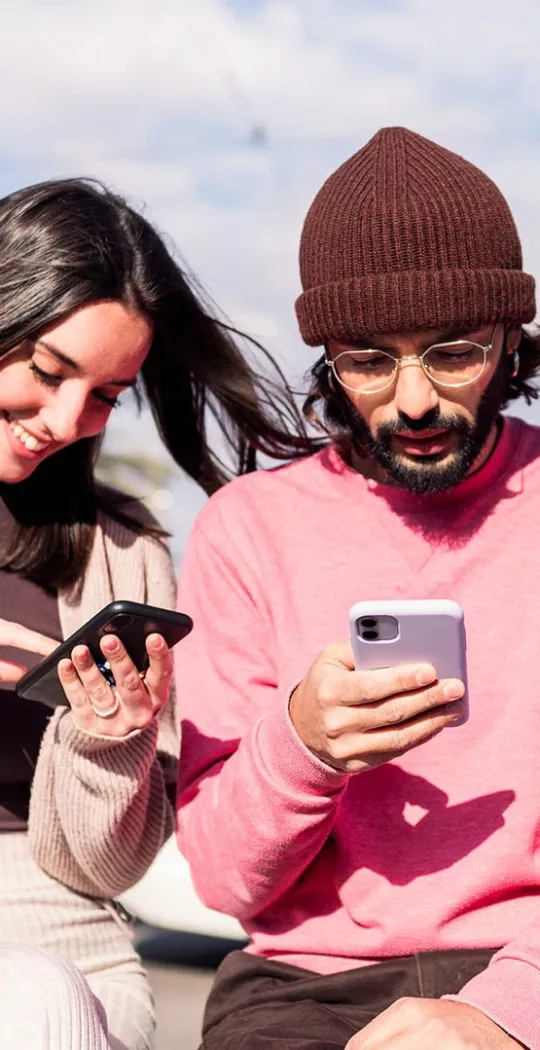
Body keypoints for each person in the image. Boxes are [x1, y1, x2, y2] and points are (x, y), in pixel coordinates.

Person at [175, 127, 540, 1050]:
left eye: (452, 352)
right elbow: (220, 882)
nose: (413, 401)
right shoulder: (247, 530)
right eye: (370, 361)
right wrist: (301, 746)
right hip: (303, 991)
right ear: (328, 359)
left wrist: (505, 1011)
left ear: (510, 338)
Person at [0, 177, 313, 1050]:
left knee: (49, 1001)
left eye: (107, 394)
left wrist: (105, 742)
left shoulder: (123, 551)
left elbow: (103, 870)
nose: (66, 421)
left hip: (66, 941)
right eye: (49, 372)